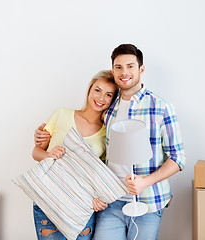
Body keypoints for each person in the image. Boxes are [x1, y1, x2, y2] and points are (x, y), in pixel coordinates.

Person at [35, 44, 186, 240]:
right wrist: (43, 137)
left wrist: (145, 182)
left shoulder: (161, 107)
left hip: (147, 201)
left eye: (130, 66)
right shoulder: (108, 108)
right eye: (118, 67)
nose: (124, 72)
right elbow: (91, 148)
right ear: (113, 70)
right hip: (111, 201)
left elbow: (178, 157)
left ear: (141, 69)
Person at [31, 70, 118, 240]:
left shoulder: (107, 133)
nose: (101, 98)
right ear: (89, 90)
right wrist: (49, 155)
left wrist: (98, 198)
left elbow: (99, 175)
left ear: (113, 100)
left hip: (82, 205)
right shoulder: (61, 114)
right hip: (49, 199)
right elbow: (36, 152)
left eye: (108, 94)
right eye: (98, 90)